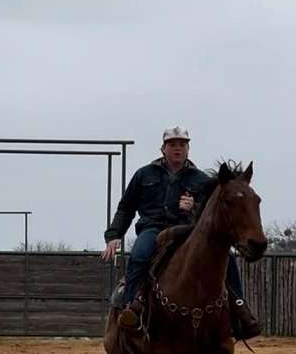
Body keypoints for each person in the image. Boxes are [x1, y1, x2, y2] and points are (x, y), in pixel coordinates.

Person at [102, 127, 261, 338]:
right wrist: (114, 235)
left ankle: (239, 310)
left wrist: (193, 207)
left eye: (182, 144)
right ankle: (133, 308)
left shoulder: (201, 180)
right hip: (153, 229)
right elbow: (126, 208)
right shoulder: (144, 174)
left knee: (227, 259)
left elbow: (213, 214)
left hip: (188, 230)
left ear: (188, 149)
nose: (178, 148)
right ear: (163, 148)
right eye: (172, 144)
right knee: (140, 254)